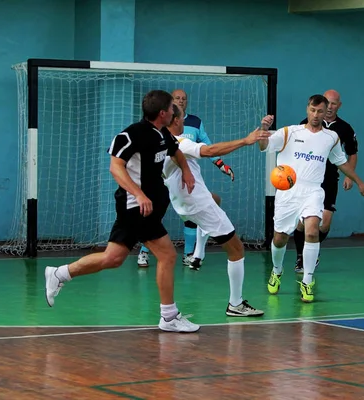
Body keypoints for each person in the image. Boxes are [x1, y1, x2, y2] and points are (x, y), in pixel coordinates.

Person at [44, 90, 200, 333]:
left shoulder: (162, 134)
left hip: (145, 209)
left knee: (112, 258)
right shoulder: (131, 135)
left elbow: (175, 151)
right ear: (162, 113)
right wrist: (138, 194)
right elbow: (116, 168)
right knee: (168, 256)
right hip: (136, 208)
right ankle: (169, 317)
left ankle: (59, 274)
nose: (174, 111)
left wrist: (187, 172)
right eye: (171, 108)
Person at [259, 94, 364, 303]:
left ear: (326, 110)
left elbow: (341, 162)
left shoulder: (331, 138)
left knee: (312, 232)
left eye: (320, 111)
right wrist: (264, 128)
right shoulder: (289, 132)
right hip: (288, 193)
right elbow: (263, 146)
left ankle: (307, 281)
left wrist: (359, 181)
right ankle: (276, 270)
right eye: (312, 110)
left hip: (313, 192)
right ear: (307, 109)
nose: (316, 115)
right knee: (279, 238)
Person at [163, 103, 268, 316]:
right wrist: (245, 141)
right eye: (182, 118)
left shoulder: (157, 141)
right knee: (237, 248)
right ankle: (236, 304)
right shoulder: (180, 143)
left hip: (181, 203)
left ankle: (199, 253)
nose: (184, 122)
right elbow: (209, 150)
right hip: (198, 204)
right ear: (174, 120)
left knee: (216, 199)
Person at [138, 89, 234, 269]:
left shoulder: (194, 122)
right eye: (177, 99)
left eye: (184, 99)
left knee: (203, 208)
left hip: (184, 183)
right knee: (155, 216)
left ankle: (191, 254)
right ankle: (144, 252)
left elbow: (207, 145)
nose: (181, 101)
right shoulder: (161, 130)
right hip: (164, 183)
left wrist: (221, 164)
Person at [294, 89, 358, 273]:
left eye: (334, 103)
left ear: (339, 105)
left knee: (325, 223)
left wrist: (349, 175)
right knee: (302, 223)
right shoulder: (305, 125)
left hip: (329, 180)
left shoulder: (345, 129)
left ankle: (312, 251)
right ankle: (301, 256)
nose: (330, 107)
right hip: (307, 181)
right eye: (327, 103)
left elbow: (352, 154)